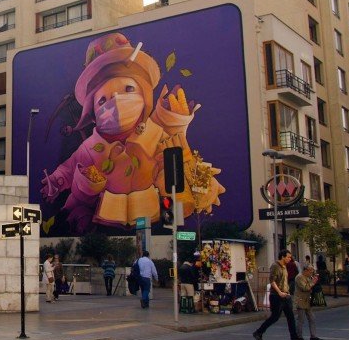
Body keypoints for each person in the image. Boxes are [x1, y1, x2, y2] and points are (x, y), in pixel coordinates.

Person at [39, 33, 224, 232]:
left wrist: (189, 187)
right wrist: (56, 181)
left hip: (152, 215)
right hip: (106, 220)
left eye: (128, 89)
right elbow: (70, 167)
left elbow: (178, 173)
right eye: (102, 100)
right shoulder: (90, 147)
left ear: (144, 95)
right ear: (92, 113)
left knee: (169, 199)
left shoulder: (155, 134)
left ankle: (169, 234)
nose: (116, 102)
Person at [253, 249, 307, 340]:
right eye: (288, 257)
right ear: (282, 257)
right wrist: (279, 292)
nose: (290, 259)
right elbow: (272, 281)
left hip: (285, 295)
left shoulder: (284, 266)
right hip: (276, 296)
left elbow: (284, 281)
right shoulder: (275, 266)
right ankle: (258, 332)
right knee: (275, 317)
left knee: (290, 317)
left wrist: (287, 292)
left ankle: (294, 339)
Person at [293, 265, 323, 340]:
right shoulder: (299, 277)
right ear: (305, 270)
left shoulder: (309, 277)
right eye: (310, 271)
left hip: (308, 301)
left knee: (312, 318)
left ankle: (313, 336)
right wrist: (313, 282)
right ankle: (299, 337)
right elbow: (305, 288)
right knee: (301, 320)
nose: (311, 272)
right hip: (301, 301)